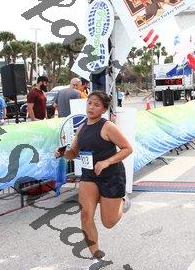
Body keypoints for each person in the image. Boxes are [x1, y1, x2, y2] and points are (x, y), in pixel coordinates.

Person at [54, 91, 133, 266]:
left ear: (103, 109)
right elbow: (73, 153)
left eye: (96, 105)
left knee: (108, 222)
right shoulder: (82, 128)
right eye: (89, 103)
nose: (91, 107)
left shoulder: (108, 127)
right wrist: (63, 153)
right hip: (89, 176)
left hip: (111, 176)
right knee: (85, 215)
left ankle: (122, 201)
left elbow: (127, 148)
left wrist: (107, 161)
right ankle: (96, 258)